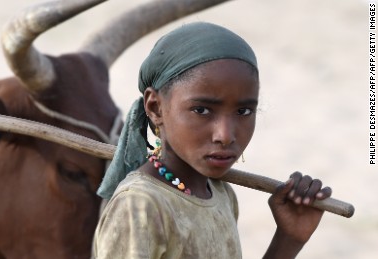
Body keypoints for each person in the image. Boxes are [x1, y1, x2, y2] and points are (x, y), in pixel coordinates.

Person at [92, 22, 332, 259]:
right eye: (202, 110)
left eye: (243, 112)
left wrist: (289, 239)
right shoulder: (140, 206)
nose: (225, 136)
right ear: (155, 107)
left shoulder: (219, 192)